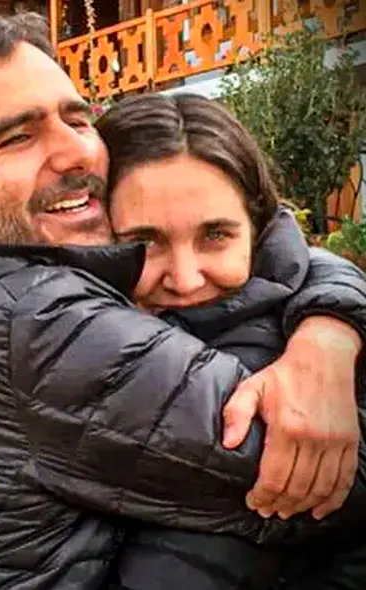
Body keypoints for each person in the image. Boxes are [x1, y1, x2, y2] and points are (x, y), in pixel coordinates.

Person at [0, 13, 366, 589]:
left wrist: (328, 323)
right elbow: (337, 477)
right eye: (18, 136)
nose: (74, 153)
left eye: (77, 118)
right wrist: (327, 340)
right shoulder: (43, 322)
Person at [97, 92, 365, 589]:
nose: (184, 277)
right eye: (145, 242)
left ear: (257, 227)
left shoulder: (280, 346)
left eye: (214, 235)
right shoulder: (83, 328)